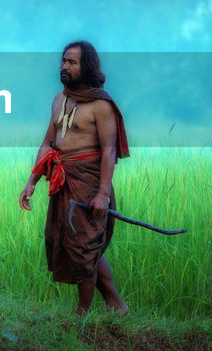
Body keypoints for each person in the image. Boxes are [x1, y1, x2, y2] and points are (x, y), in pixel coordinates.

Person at [19, 40, 130, 315]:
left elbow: (108, 151)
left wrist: (102, 194)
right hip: (62, 182)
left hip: (89, 184)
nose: (64, 66)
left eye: (72, 62)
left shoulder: (101, 105)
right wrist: (31, 181)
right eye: (64, 61)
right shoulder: (59, 99)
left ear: (87, 66)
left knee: (84, 248)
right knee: (73, 244)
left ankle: (82, 314)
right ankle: (117, 305)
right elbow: (48, 143)